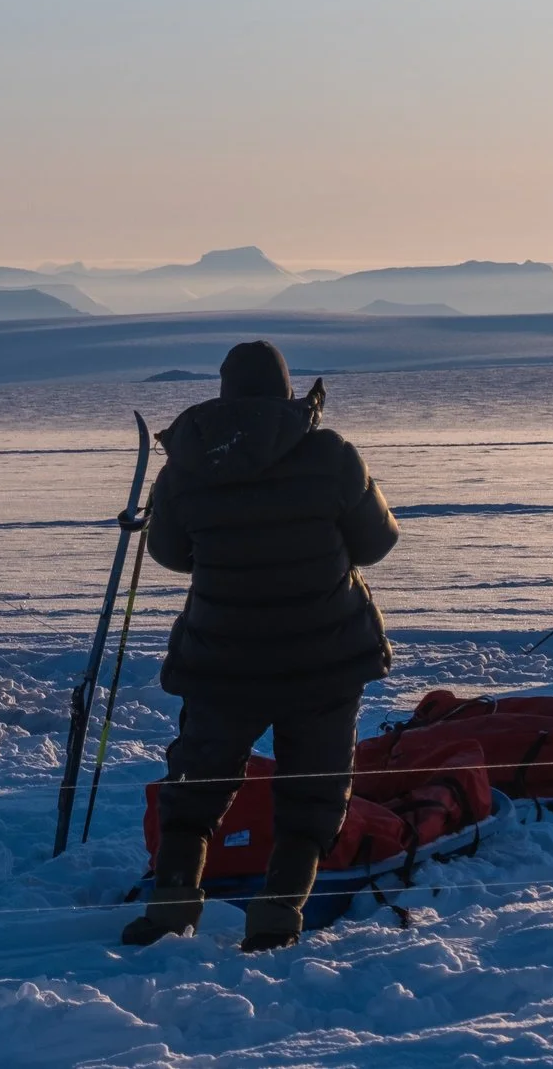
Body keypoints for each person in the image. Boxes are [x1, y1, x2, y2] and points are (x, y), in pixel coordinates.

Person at [119, 339, 399, 953]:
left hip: (222, 658)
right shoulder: (330, 455)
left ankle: (170, 907)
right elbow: (378, 540)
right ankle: (276, 919)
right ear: (287, 391)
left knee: (195, 785)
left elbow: (169, 554)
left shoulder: (186, 465)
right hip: (323, 658)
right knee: (313, 789)